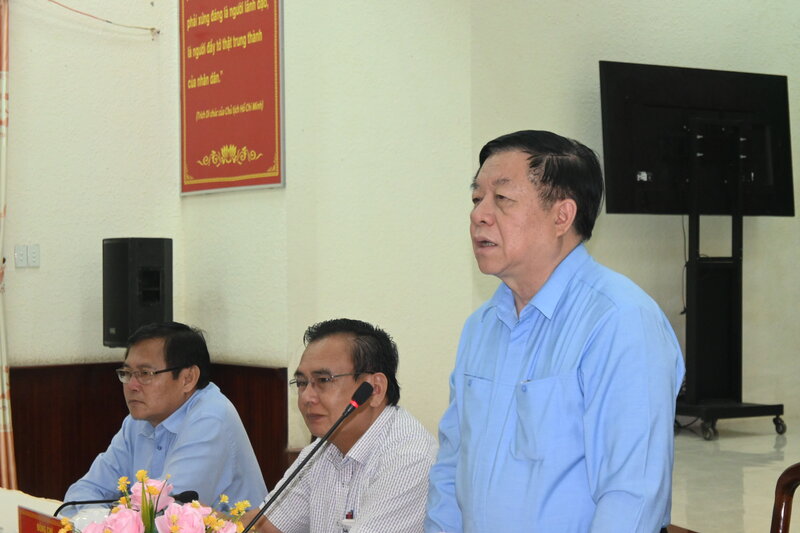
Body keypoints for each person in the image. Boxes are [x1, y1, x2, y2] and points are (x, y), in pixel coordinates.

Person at [425, 130, 685, 533]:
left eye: (503, 198)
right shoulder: (481, 327)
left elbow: (633, 494)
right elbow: (451, 468)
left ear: (562, 216)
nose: (479, 214)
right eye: (477, 198)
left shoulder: (619, 320)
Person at [245, 318, 437, 533]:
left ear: (374, 390)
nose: (307, 397)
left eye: (324, 380)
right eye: (301, 383)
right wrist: (202, 520)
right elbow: (264, 528)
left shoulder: (409, 459)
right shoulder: (321, 451)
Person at [64, 322, 266, 511]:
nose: (132, 386)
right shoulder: (137, 421)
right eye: (126, 372)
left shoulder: (211, 419)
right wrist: (95, 522)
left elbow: (164, 514)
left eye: (145, 373)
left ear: (188, 378)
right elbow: (82, 493)